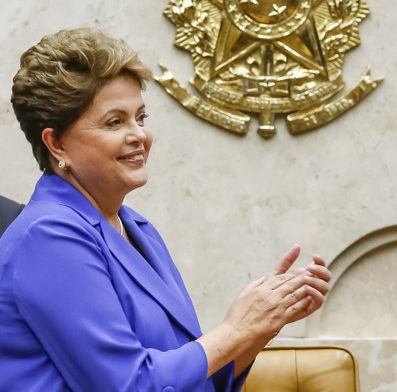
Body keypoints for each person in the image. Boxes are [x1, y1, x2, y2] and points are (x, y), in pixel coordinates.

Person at [0, 27, 332, 391]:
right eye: (115, 122)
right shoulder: (47, 237)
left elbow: (190, 377)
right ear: (56, 143)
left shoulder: (137, 228)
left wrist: (260, 326)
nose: (139, 135)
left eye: (140, 117)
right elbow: (131, 385)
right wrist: (237, 329)